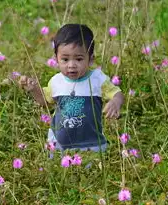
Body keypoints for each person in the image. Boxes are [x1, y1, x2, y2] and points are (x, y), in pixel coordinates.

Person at [19, 24, 124, 152]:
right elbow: (44, 101)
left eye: (79, 59)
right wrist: (33, 89)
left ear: (90, 59)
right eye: (65, 59)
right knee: (58, 170)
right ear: (56, 59)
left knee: (89, 170)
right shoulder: (56, 81)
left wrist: (115, 102)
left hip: (91, 144)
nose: (72, 65)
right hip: (58, 144)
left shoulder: (97, 79)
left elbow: (117, 93)